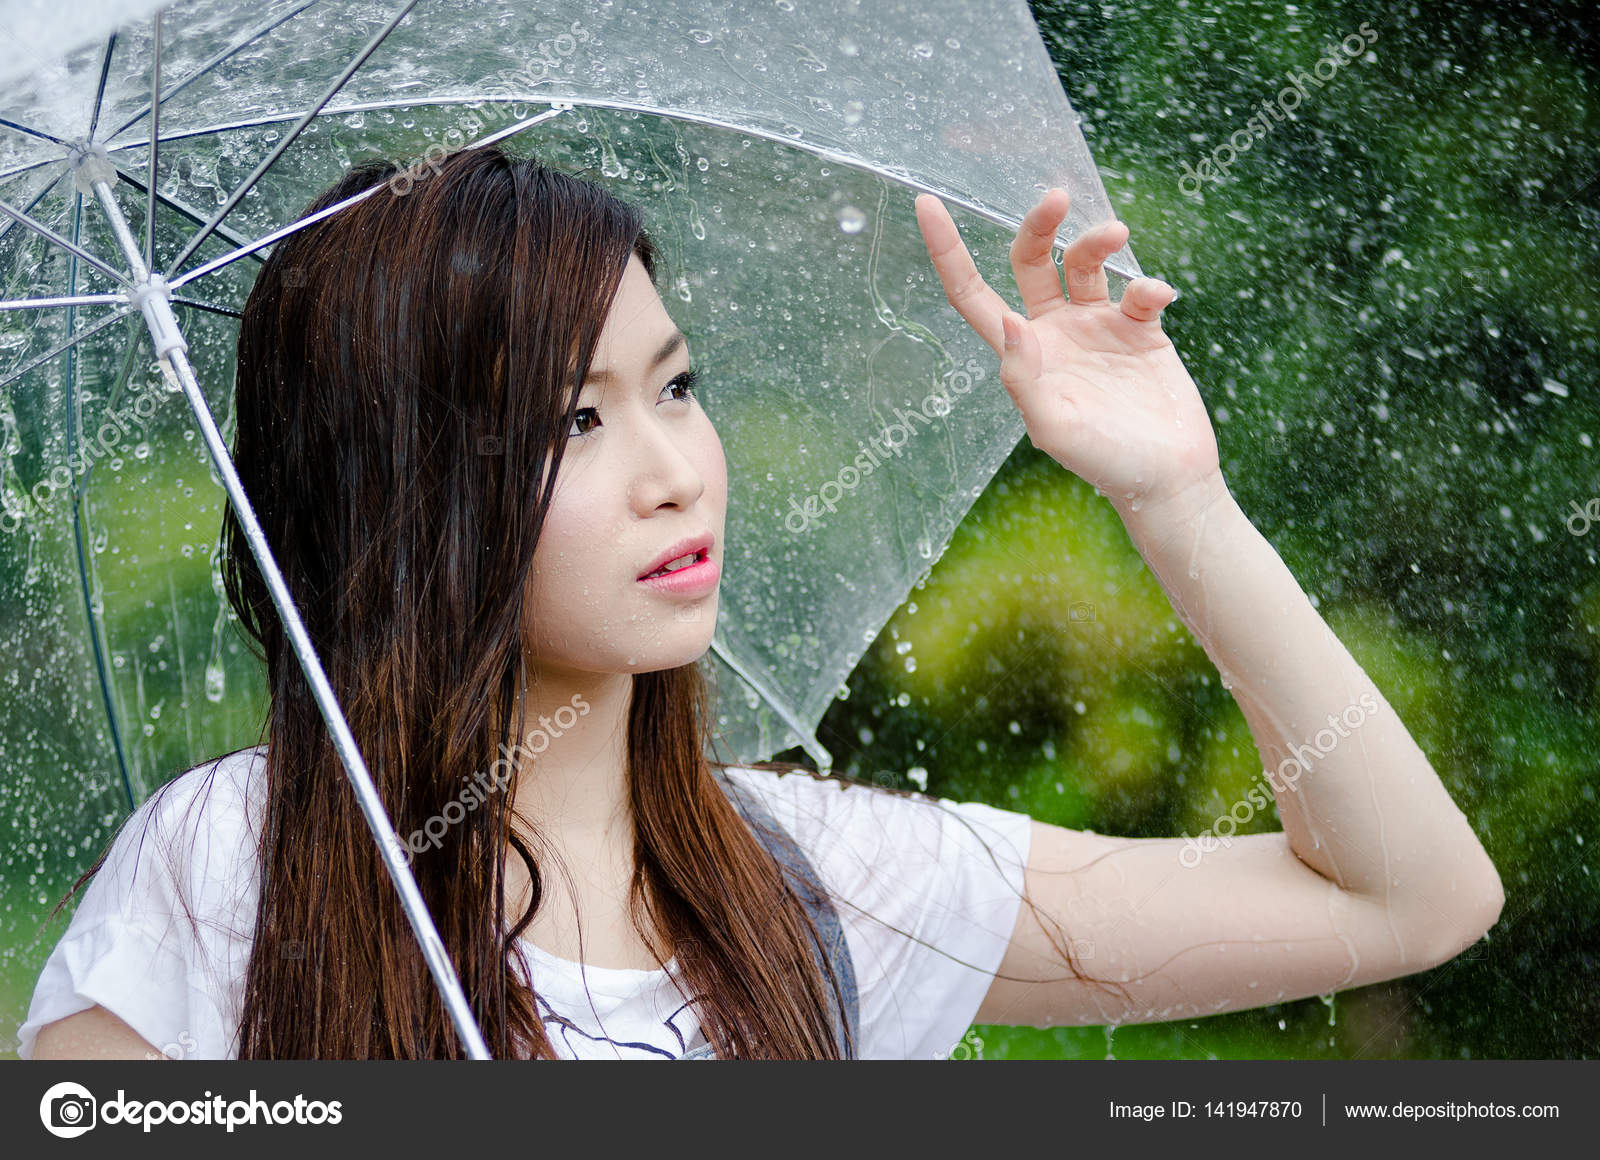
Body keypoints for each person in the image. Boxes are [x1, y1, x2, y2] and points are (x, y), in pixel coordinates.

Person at [19, 145, 1502, 1060]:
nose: (675, 472)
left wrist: (1176, 497)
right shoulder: (239, 868)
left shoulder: (814, 886)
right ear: (404, 495)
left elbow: (1406, 898)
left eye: (676, 387)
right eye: (569, 423)